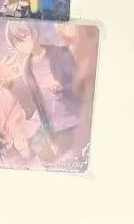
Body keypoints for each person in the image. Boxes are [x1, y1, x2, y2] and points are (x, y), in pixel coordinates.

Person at [5, 21, 83, 161]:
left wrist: (62, 86)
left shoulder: (60, 53)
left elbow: (81, 84)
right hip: (57, 131)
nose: (22, 44)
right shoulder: (26, 70)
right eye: (17, 42)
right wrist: (50, 136)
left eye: (24, 37)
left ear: (34, 34)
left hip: (77, 120)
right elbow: (40, 105)